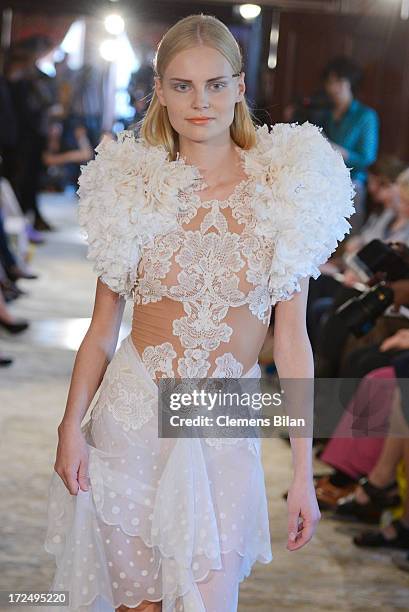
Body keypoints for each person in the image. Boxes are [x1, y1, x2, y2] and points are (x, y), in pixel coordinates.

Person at [42, 14, 355, 612]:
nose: (199, 101)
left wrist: (302, 472)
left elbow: (292, 343)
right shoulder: (129, 187)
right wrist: (69, 427)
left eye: (215, 84)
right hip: (129, 420)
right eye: (182, 85)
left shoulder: (286, 189)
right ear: (159, 90)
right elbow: (103, 330)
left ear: (240, 88)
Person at [320, 57, 379, 235]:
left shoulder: (366, 115)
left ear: (350, 82)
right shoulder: (326, 112)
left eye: (339, 81)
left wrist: (336, 150)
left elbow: (367, 158)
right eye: (329, 82)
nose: (333, 88)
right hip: (325, 180)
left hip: (352, 183)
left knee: (346, 236)